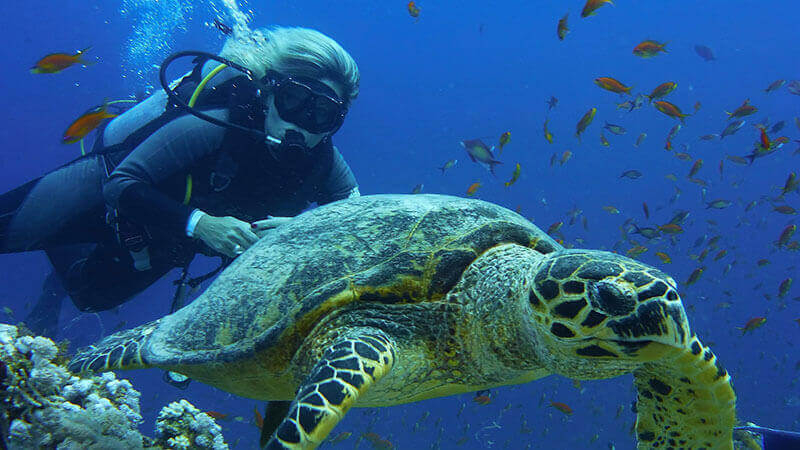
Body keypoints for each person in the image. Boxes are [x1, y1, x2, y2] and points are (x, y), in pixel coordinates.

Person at [0, 26, 361, 336]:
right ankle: (60, 227)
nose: (301, 122)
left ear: (337, 123)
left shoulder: (326, 163)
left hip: (160, 235)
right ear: (268, 93)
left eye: (323, 113)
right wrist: (202, 224)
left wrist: (303, 229)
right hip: (107, 179)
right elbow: (120, 183)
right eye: (294, 99)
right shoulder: (217, 124)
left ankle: (58, 257)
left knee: (89, 297)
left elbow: (357, 223)